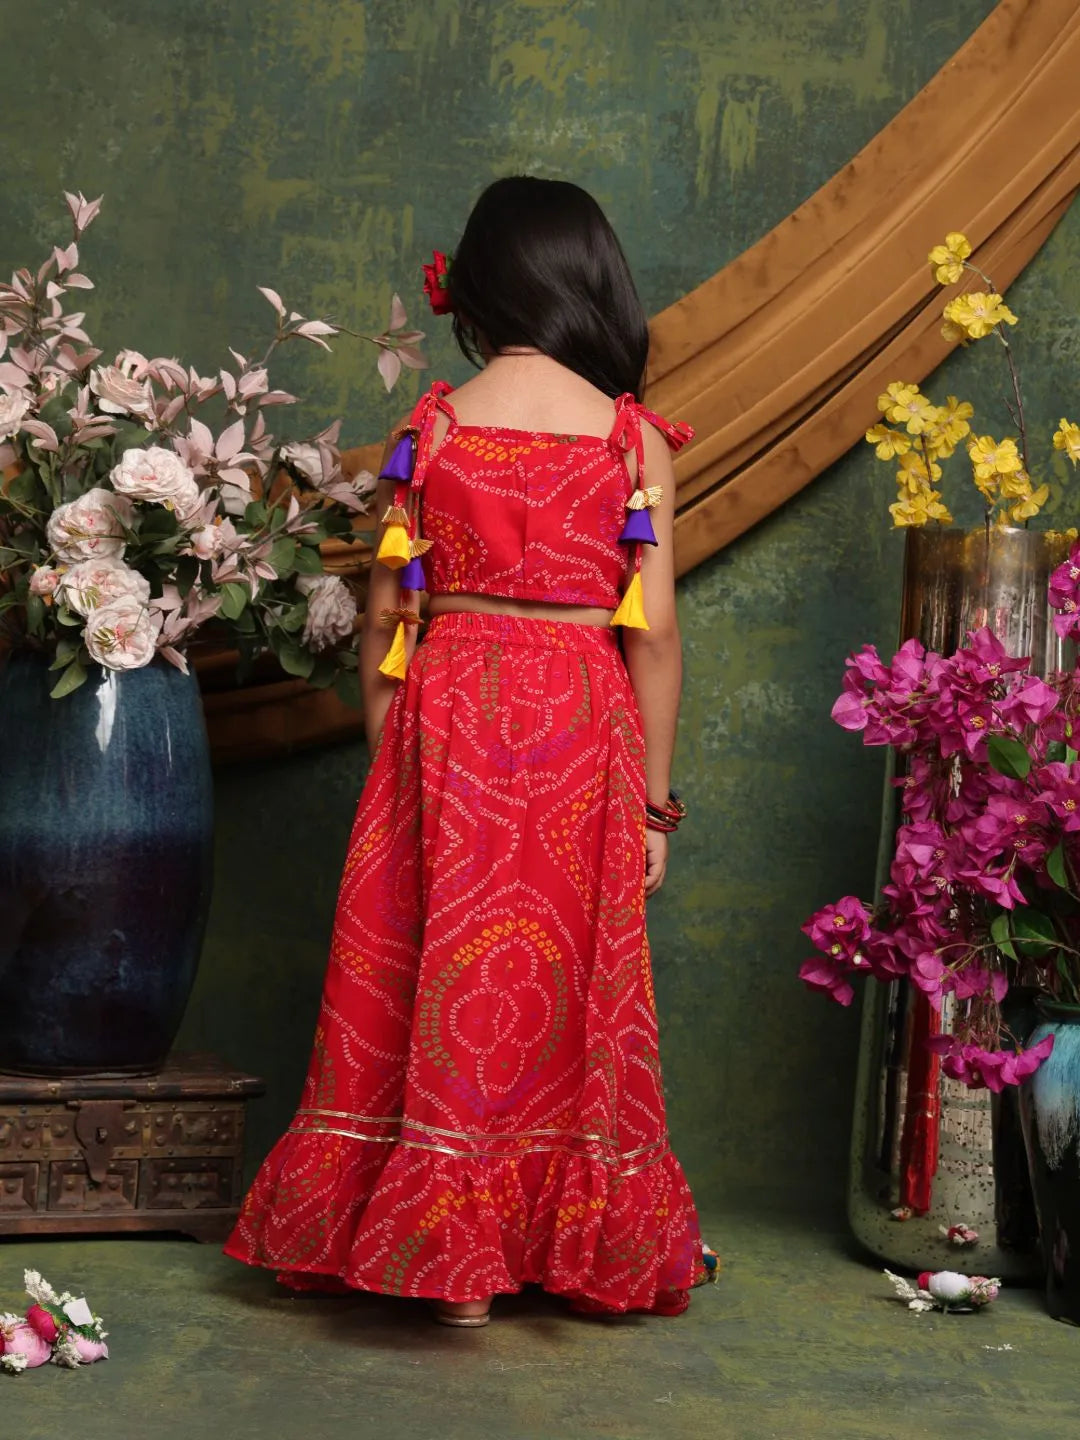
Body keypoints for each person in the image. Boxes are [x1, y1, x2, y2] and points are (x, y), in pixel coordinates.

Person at [225, 176, 705, 1326]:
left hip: (452, 716)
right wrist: (651, 807)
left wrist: (395, 764)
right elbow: (660, 636)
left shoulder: (431, 429)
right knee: (558, 981)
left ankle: (451, 1273)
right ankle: (566, 1249)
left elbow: (390, 617)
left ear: (478, 285)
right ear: (592, 279)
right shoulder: (631, 438)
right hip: (582, 727)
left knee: (442, 975)